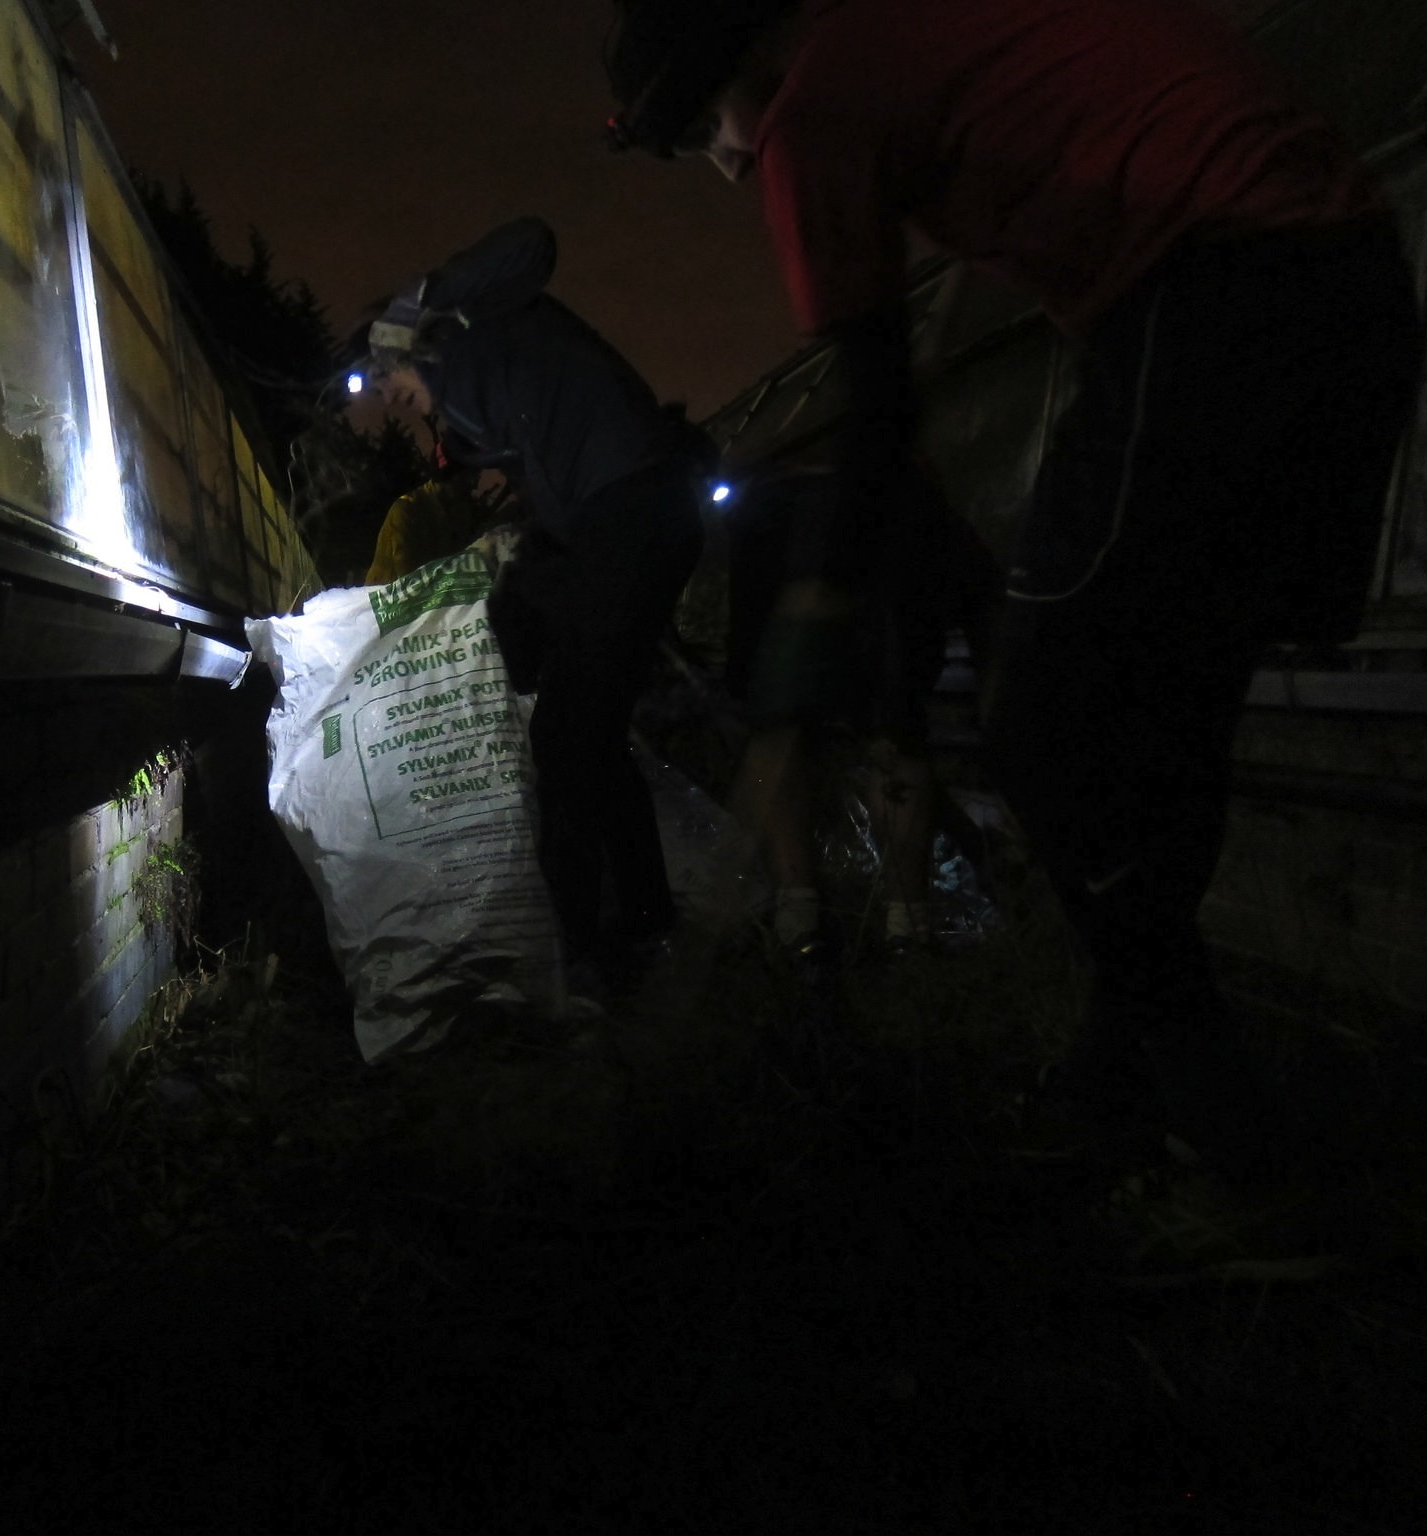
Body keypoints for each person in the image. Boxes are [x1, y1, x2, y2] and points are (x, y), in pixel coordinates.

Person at [604, 0, 1422, 1166]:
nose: (728, 164)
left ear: (740, 71)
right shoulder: (915, 37)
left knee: (1040, 720)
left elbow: (875, 406)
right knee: (1167, 709)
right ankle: (1118, 1061)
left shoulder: (809, 105)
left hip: (1215, 281)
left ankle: (1223, 1119)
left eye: (703, 133)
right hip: (1349, 280)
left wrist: (802, 627)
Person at [362, 217, 712, 992]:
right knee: (585, 725)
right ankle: (644, 923)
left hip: (634, 508)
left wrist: (424, 298)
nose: (389, 393)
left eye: (386, 373)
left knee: (567, 735)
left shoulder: (480, 321)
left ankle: (586, 953)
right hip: (621, 517)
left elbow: (533, 241)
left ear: (415, 346)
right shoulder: (492, 409)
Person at [725, 460, 998, 989]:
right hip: (867, 517)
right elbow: (983, 601)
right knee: (892, 726)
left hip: (785, 514)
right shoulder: (919, 505)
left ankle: (800, 921)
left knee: (778, 721)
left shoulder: (785, 480)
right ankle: (904, 927)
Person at [363, 435, 486, 586]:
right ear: (448, 475)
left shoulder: (461, 511)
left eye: (477, 475)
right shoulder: (407, 511)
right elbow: (410, 582)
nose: (475, 484)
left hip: (432, 599)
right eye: (469, 476)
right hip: (392, 602)